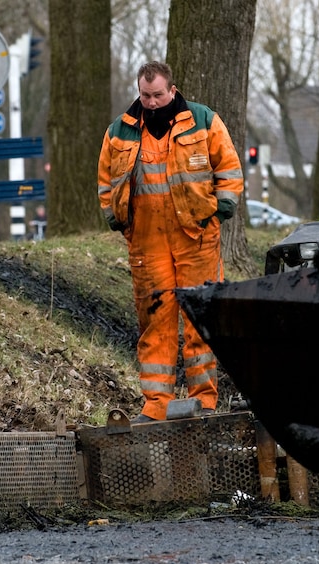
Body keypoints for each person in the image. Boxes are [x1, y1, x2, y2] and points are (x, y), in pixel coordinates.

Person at [97, 61, 244, 423]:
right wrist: (117, 220)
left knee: (200, 318)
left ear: (172, 90)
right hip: (147, 242)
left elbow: (229, 170)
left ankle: (204, 400)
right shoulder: (121, 130)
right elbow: (105, 182)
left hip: (196, 237)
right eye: (145, 95)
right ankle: (156, 405)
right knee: (155, 323)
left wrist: (217, 214)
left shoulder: (204, 120)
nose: (151, 102)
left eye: (158, 94)